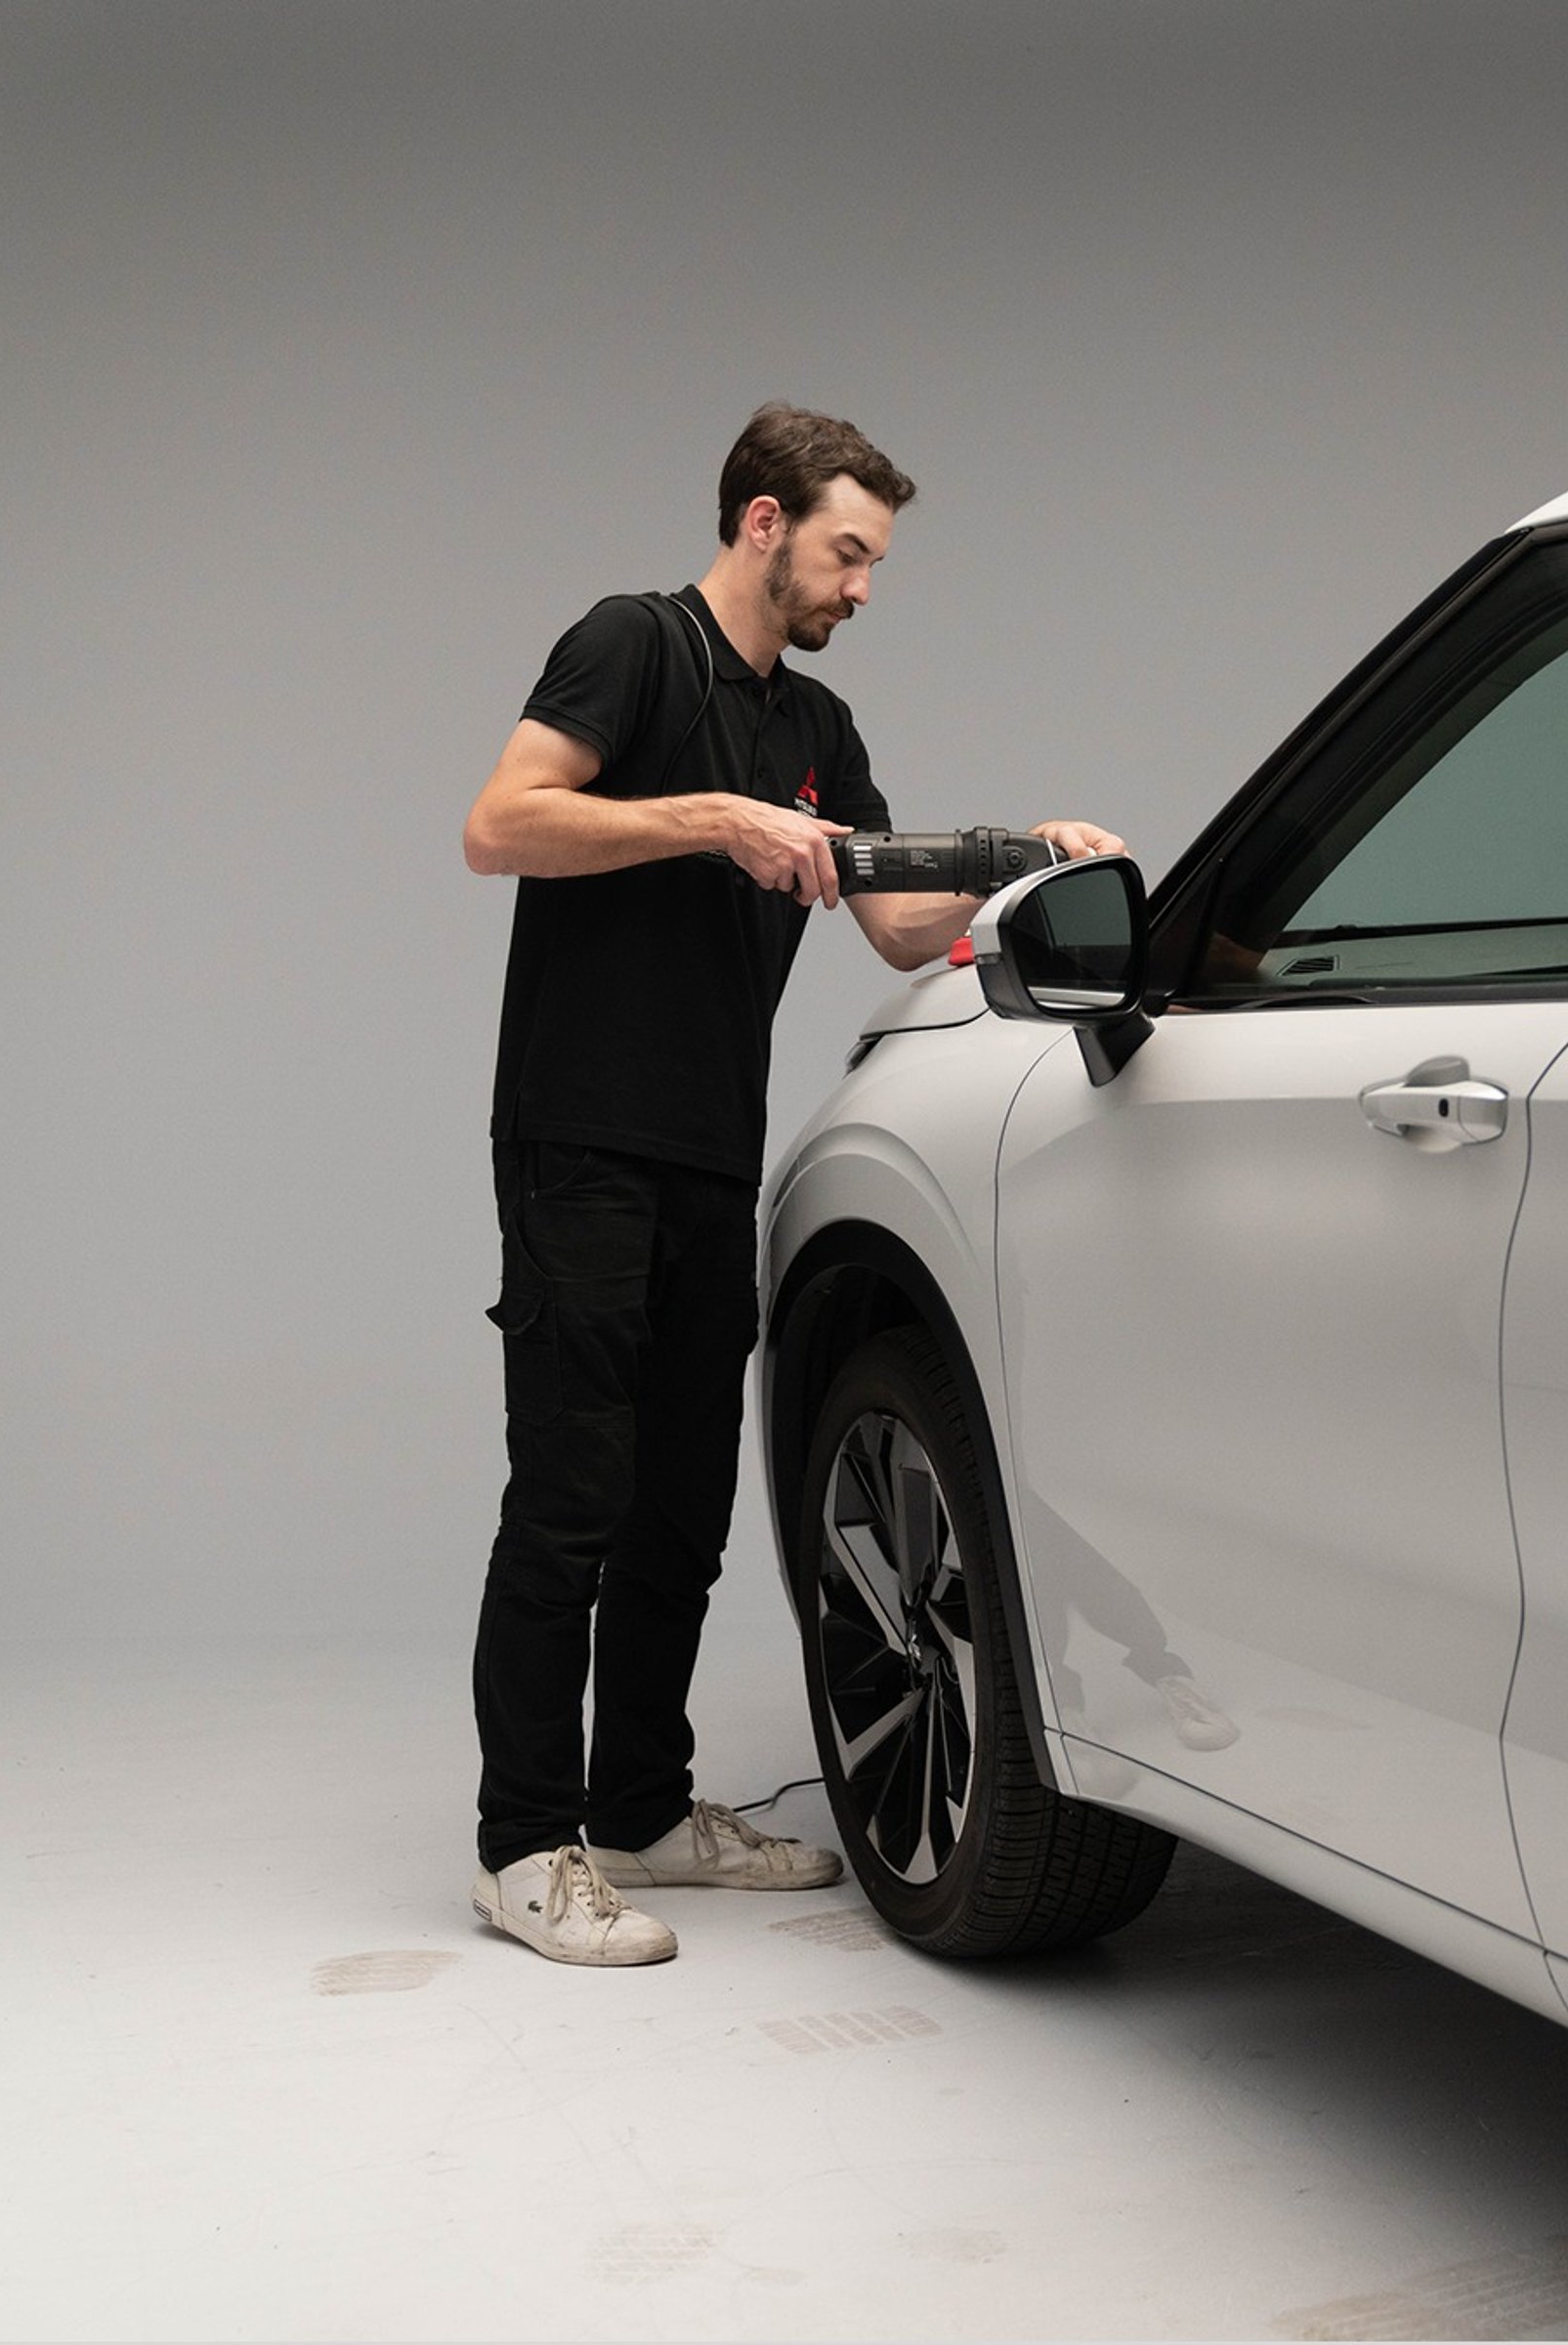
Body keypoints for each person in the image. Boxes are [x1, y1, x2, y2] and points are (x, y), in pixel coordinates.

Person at [461, 403, 1124, 1965]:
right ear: (763, 524)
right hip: (580, 1140)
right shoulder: (632, 645)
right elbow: (498, 825)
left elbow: (898, 926)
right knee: (573, 1498)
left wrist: (1030, 856)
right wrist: (715, 820)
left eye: (876, 561)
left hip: (712, 1149)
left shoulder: (819, 734)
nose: (863, 587)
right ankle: (519, 1847)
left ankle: (639, 1809)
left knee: (686, 1506)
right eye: (848, 551)